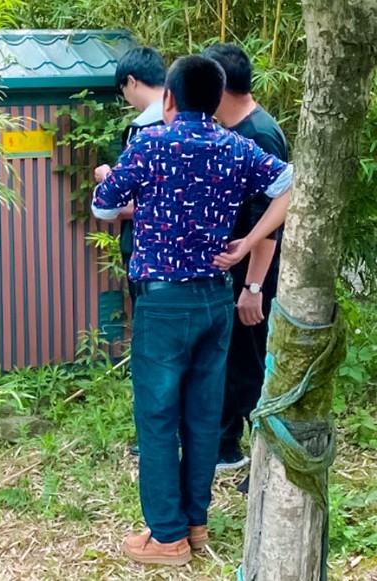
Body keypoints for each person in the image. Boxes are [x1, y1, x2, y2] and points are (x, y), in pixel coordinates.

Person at [92, 56, 293, 566]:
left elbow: (103, 206)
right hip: (216, 298)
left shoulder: (151, 144)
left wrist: (111, 177)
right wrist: (248, 242)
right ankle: (195, 523)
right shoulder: (237, 146)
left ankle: (167, 536)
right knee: (204, 414)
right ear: (215, 97)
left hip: (164, 303)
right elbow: (289, 185)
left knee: (158, 416)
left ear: (170, 98)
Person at [202, 44, 290, 491]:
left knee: (253, 367)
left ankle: (266, 462)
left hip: (255, 272)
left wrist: (253, 287)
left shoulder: (260, 134)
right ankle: (230, 447)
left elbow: (271, 220)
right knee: (235, 362)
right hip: (235, 269)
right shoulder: (234, 130)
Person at [95, 46, 166, 457]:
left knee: (151, 347)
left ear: (132, 82)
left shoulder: (144, 131)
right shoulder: (199, 123)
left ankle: (154, 436)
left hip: (147, 254)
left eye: (123, 91)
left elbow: (129, 204)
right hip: (189, 266)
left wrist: (109, 181)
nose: (126, 100)